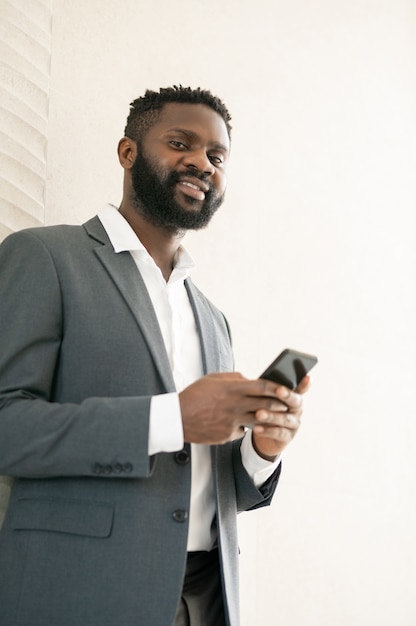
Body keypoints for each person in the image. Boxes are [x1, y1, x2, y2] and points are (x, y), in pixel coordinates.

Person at [0, 86, 310, 626]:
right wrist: (173, 418)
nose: (202, 163)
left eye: (218, 156)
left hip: (209, 596)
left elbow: (216, 483)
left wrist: (262, 450)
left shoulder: (213, 318)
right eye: (179, 142)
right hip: (83, 590)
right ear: (128, 152)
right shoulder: (45, 256)